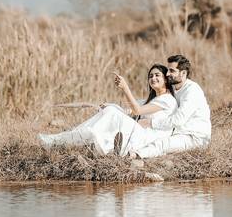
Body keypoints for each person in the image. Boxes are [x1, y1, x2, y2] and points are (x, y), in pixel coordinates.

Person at [38, 64, 177, 156]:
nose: (153, 78)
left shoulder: (168, 100)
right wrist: (109, 105)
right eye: (150, 76)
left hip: (147, 139)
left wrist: (125, 88)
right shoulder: (151, 100)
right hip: (139, 132)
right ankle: (71, 139)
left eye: (157, 75)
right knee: (111, 110)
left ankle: (73, 139)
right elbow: (129, 111)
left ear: (166, 79)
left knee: (112, 113)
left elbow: (138, 111)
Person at [133, 54, 211, 158]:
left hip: (195, 137)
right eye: (168, 70)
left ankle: (135, 156)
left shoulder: (192, 90)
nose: (168, 74)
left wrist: (151, 122)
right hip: (179, 133)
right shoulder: (174, 89)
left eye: (172, 71)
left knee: (162, 144)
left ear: (183, 73)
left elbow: (178, 120)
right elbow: (155, 101)